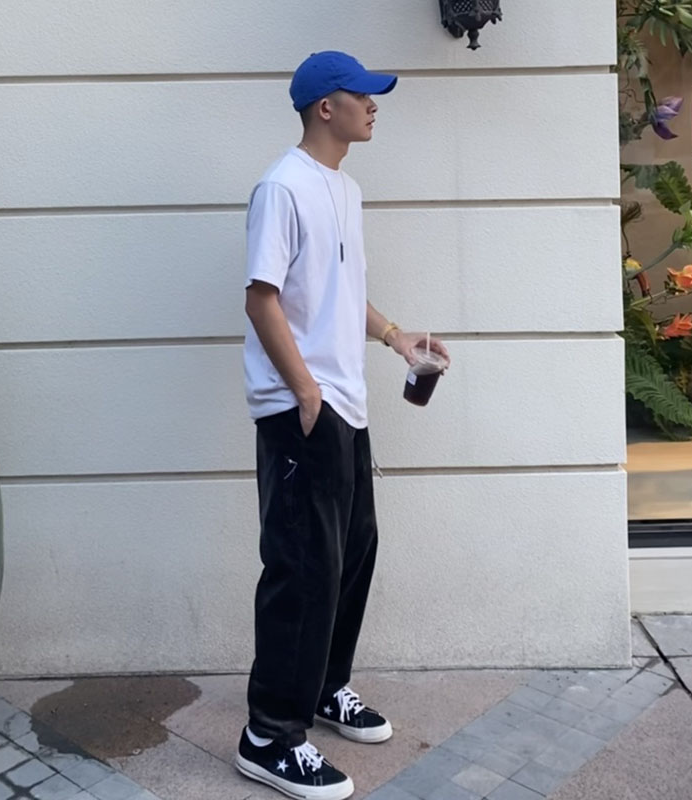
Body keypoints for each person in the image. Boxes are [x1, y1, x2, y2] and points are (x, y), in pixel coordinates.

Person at [236, 51, 450, 800]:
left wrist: (394, 337)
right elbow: (262, 297)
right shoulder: (282, 186)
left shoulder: (345, 189)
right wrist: (303, 391)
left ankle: (326, 686)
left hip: (344, 403)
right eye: (363, 94)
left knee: (353, 551)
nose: (374, 104)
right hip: (303, 405)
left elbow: (335, 290)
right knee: (302, 566)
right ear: (325, 106)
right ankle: (268, 735)